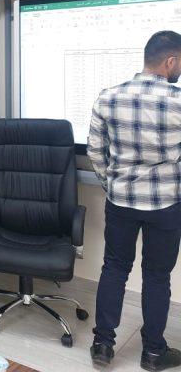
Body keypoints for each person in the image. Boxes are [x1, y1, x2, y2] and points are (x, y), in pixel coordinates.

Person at [89, 31, 181, 371]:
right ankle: (154, 353)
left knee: (114, 267)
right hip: (166, 205)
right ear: (170, 61)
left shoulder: (109, 97)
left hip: (121, 202)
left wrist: (113, 184)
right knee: (157, 276)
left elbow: (96, 152)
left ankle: (102, 345)